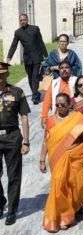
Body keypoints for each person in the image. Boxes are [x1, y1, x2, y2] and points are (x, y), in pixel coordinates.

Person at [39, 93, 83, 233]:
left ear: (69, 104)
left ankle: (74, 208)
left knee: (77, 186)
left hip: (77, 157)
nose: (60, 107)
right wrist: (41, 159)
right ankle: (63, 217)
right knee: (58, 186)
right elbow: (46, 141)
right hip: (57, 158)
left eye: (63, 104)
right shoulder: (50, 121)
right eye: (57, 105)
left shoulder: (78, 118)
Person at [0, 62, 30, 225]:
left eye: (3, 74)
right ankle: (0, 202)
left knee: (14, 175)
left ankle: (12, 210)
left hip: (12, 137)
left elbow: (24, 117)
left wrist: (26, 141)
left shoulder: (17, 92)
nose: (0, 77)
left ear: (7, 74)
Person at [6, 13, 48, 104]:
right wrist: (9, 56)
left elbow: (41, 42)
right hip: (27, 59)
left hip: (37, 57)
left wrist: (46, 55)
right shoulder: (18, 32)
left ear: (27, 20)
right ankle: (35, 92)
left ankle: (35, 96)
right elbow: (14, 45)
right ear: (19, 21)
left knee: (35, 76)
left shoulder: (35, 29)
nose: (22, 21)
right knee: (30, 77)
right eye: (21, 20)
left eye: (24, 19)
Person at [41, 61, 77, 127]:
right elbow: (47, 101)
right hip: (58, 118)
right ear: (59, 70)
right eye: (61, 68)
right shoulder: (54, 83)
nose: (64, 70)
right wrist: (44, 117)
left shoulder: (76, 81)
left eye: (67, 67)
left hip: (74, 117)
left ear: (70, 70)